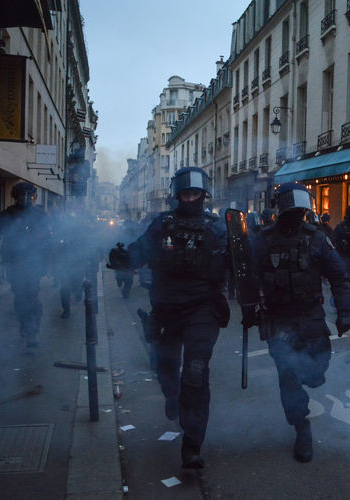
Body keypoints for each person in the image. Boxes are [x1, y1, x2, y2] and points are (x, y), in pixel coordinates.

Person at [108, 167, 231, 469]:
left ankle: (192, 443)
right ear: (177, 195)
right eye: (185, 193)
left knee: (195, 372)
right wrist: (122, 258)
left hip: (203, 309)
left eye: (195, 193)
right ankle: (172, 395)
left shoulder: (218, 229)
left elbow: (240, 265)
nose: (190, 198)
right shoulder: (161, 225)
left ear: (204, 194)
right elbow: (139, 251)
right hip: (166, 308)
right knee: (165, 367)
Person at [246, 182, 350, 462]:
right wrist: (249, 308)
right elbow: (245, 276)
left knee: (316, 372)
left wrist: (345, 311)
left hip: (311, 317)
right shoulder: (263, 239)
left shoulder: (316, 239)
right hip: (278, 320)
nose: (296, 214)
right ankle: (301, 426)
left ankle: (310, 379)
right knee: (289, 376)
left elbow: (339, 277)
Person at [0, 182, 51, 348]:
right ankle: (25, 324)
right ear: (15, 197)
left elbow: (48, 241)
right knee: (20, 297)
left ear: (32, 197)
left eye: (28, 195)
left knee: (31, 296)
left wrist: (48, 262)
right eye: (21, 195)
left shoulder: (39, 215)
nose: (24, 199)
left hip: (34, 263)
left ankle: (32, 330)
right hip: (14, 263)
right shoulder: (8, 214)